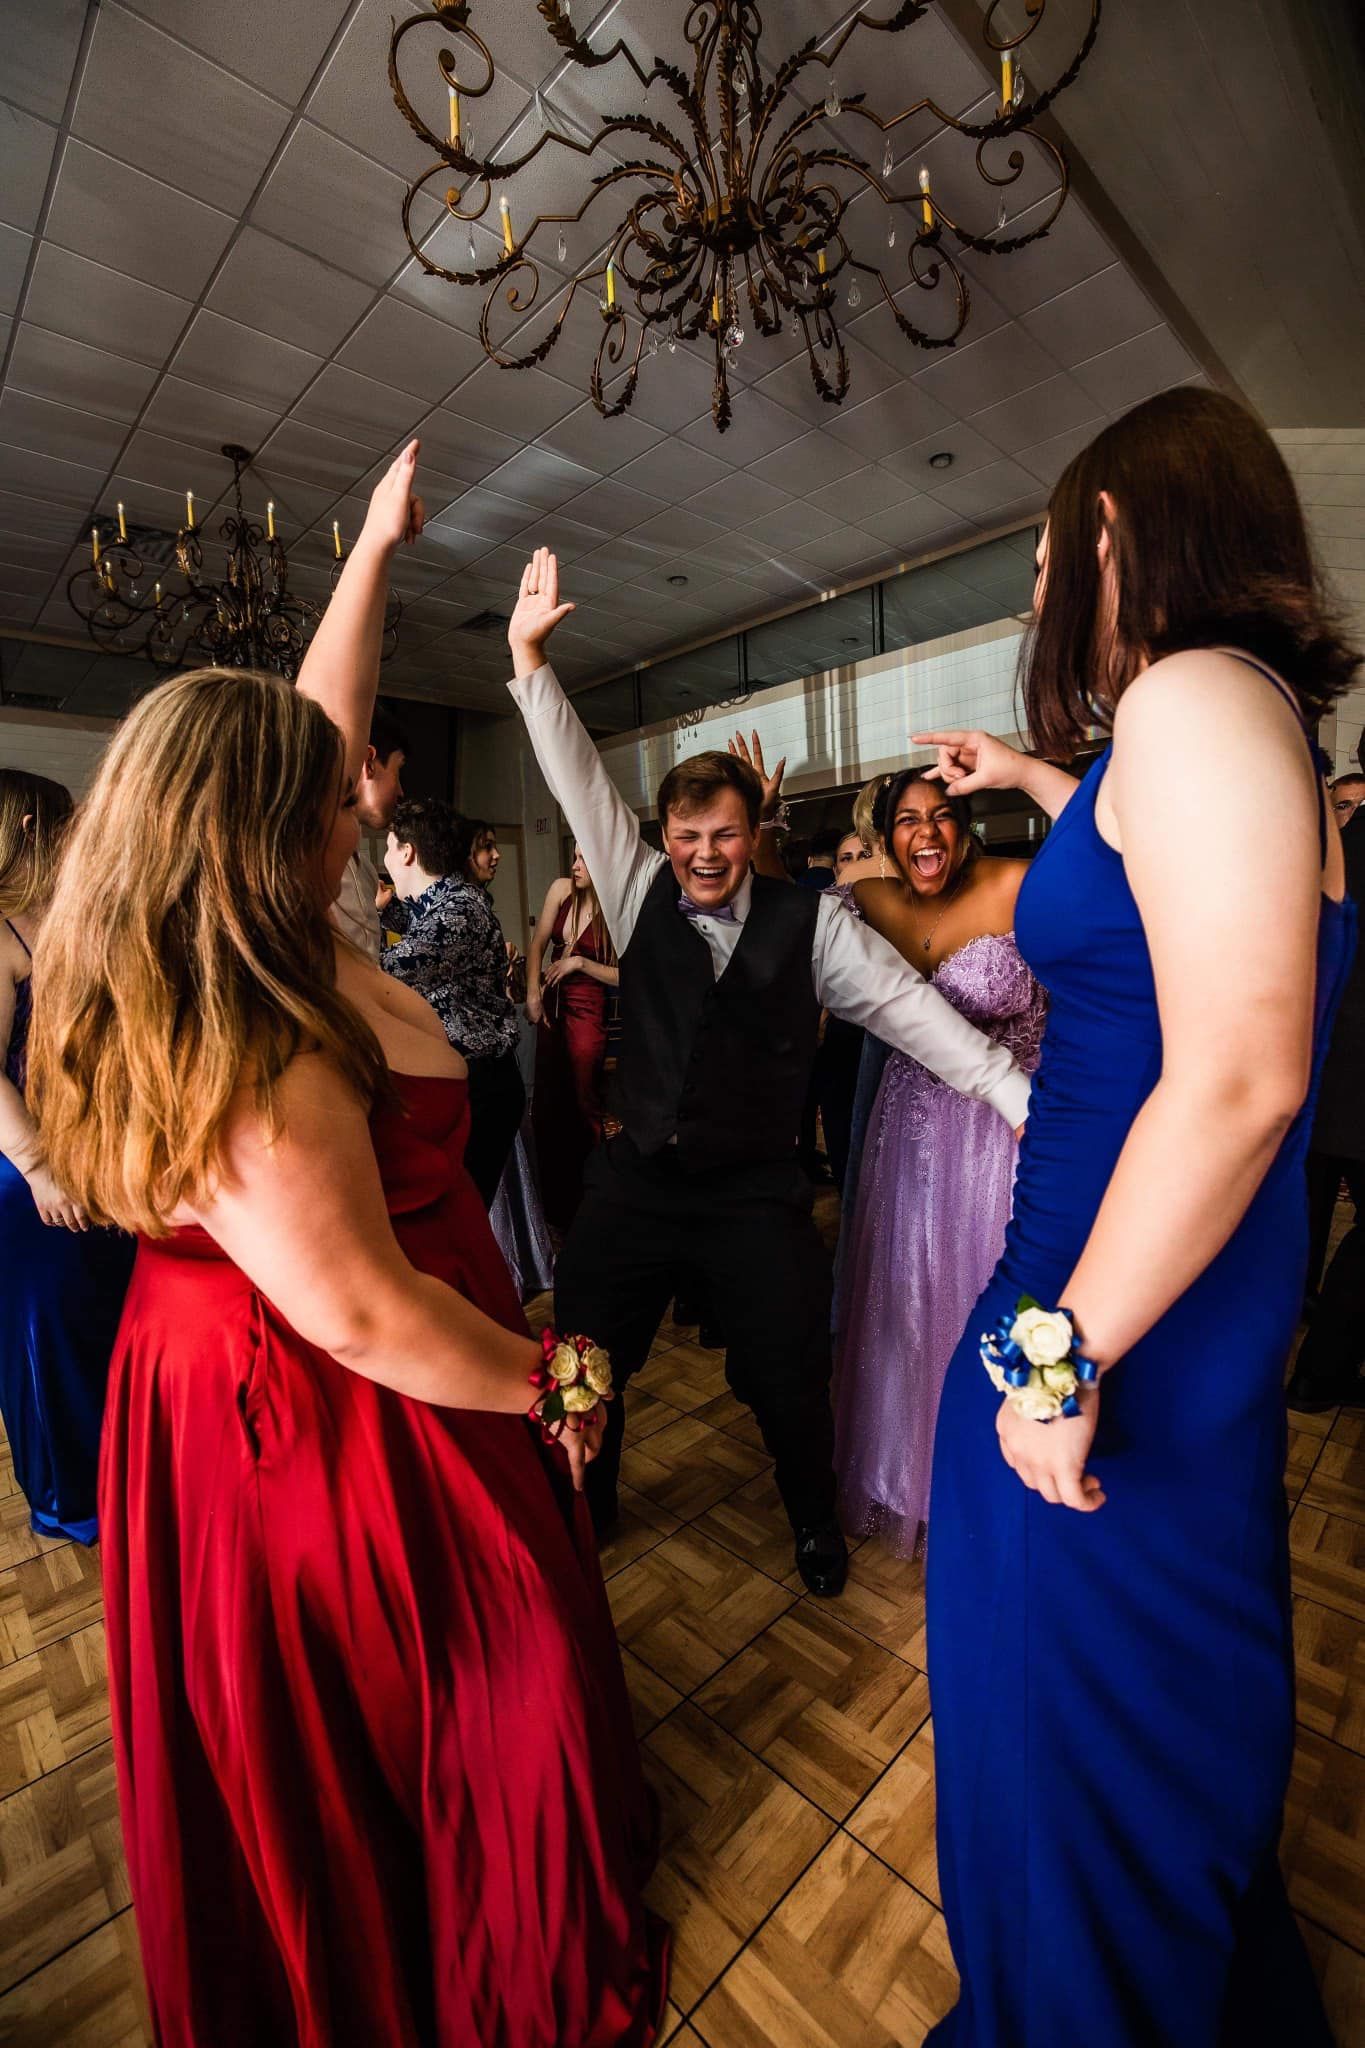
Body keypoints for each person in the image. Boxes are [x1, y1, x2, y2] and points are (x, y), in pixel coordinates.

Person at [28, 444, 668, 2047]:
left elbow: (312, 711)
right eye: (338, 798)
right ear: (266, 835)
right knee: (476, 1675)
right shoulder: (261, 1031)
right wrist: (557, 1377)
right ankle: (475, 1962)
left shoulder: (257, 924)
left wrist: (374, 553)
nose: (359, 795)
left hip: (322, 1366)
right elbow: (367, 1314)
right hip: (320, 1416)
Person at [915, 386, 1356, 2047]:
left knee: (1078, 1773)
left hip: (1105, 1339)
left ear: (1115, 532)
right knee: (1137, 1753)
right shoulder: (1236, 728)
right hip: (1170, 1317)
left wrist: (1060, 1351)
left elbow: (1239, 1071)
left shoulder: (1186, 699)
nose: (1047, 601)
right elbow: (1167, 896)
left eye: (1049, 561)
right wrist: (1033, 770)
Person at [504, 548, 1031, 1596]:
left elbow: (911, 1010)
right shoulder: (632, 873)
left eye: (727, 833)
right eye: (690, 834)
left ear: (754, 833)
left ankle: (813, 1521)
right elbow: (572, 771)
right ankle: (587, 1502)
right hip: (640, 1177)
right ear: (665, 834)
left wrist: (1013, 1093)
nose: (707, 853)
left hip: (752, 1191)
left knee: (789, 1371)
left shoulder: (814, 922)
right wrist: (528, 660)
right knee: (584, 1347)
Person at [833, 773, 1045, 1554]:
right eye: (908, 821)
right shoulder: (873, 901)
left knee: (989, 1293)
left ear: (966, 826)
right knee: (908, 1298)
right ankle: (910, 1477)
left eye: (943, 817)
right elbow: (781, 916)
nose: (928, 833)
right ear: (887, 836)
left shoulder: (1017, 884)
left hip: (1002, 1134)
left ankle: (1005, 1478)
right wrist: (759, 829)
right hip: (909, 1133)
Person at [0, 770, 134, 1544]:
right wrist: (41, 1170)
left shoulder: (65, 917)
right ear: (28, 831)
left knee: (103, 1329)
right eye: (62, 820)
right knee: (53, 1346)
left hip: (94, 1164)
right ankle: (71, 1497)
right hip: (28, 1182)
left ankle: (124, 1477)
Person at [381, 799, 525, 1208]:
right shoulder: (444, 903)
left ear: (406, 852)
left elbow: (386, 973)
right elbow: (418, 927)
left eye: (389, 847)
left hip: (481, 1086)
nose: (387, 859)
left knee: (458, 1215)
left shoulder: (458, 911)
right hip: (467, 1081)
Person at [1287, 762, 1365, 1409]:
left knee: (1301, 1223)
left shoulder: (1332, 859)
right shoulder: (1318, 861)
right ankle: (1317, 1366)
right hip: (1324, 1082)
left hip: (1315, 1081)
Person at [527, 849, 619, 1230]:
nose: (575, 865)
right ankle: (559, 1209)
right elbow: (537, 945)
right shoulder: (561, 890)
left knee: (585, 1103)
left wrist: (580, 963)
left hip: (588, 1010)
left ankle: (603, 1199)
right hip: (552, 1007)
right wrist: (533, 993)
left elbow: (627, 976)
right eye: (575, 857)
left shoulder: (616, 907)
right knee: (550, 1105)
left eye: (584, 859)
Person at [331, 700, 407, 959]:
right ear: (369, 762)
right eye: (398, 770)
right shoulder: (304, 864)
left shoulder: (365, 872)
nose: (400, 791)